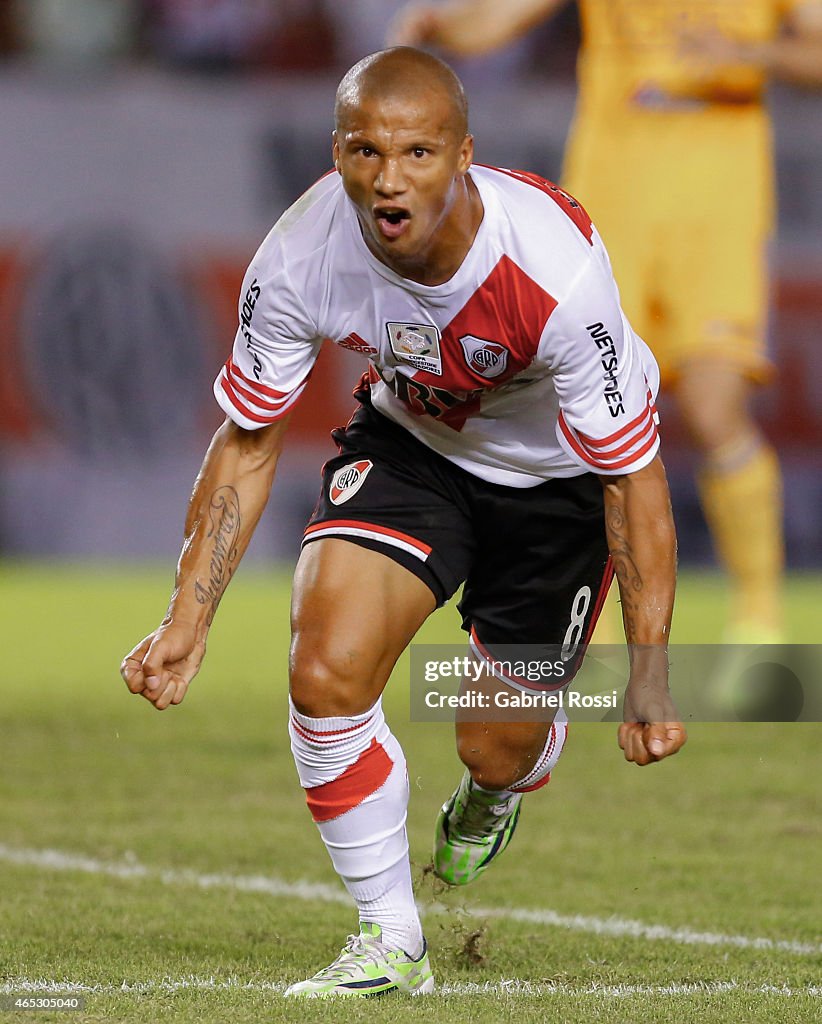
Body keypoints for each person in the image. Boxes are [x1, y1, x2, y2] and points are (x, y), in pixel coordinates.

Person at [120, 46, 686, 999]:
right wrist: (188, 615)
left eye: (418, 153)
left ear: (465, 154)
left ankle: (501, 787)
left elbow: (633, 480)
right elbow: (249, 441)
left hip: (556, 489)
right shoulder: (300, 253)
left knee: (491, 743)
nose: (389, 179)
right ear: (336, 152)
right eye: (365, 151)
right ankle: (390, 941)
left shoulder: (552, 270)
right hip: (411, 449)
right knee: (323, 667)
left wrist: (651, 672)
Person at [392, 0, 822, 644]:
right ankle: (595, 623)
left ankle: (759, 621)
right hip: (608, 213)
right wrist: (436, 28)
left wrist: (751, 54)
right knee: (579, 419)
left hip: (717, 215)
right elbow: (497, 21)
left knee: (713, 408)